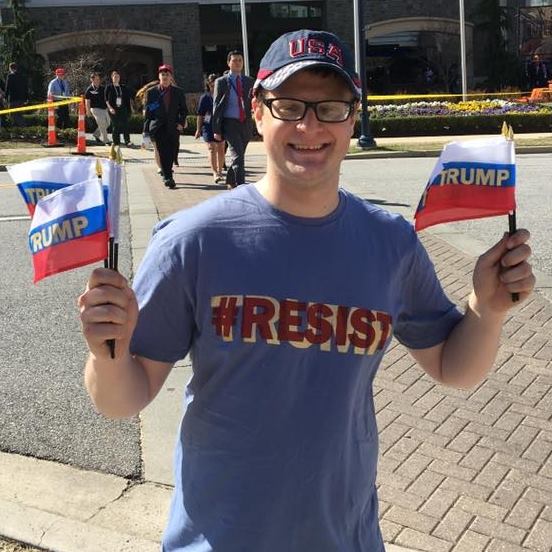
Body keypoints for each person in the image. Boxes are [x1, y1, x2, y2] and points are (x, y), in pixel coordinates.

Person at [78, 29, 535, 552]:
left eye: (331, 108)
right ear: (257, 111)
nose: (310, 126)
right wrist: (106, 354)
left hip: (344, 536)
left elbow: (453, 368)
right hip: (217, 539)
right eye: (290, 106)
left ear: (353, 118)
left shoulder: (391, 243)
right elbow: (122, 398)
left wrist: (487, 307)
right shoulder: (193, 242)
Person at [212, 50, 254, 189]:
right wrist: (216, 129)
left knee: (239, 156)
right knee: (237, 157)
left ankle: (230, 180)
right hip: (230, 123)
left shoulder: (249, 81)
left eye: (240, 60)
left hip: (245, 123)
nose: (237, 63)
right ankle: (241, 187)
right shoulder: (222, 82)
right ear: (228, 62)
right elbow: (217, 106)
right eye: (234, 60)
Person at [144, 64, 188, 189]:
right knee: (163, 152)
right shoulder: (152, 92)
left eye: (167, 75)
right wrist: (145, 131)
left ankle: (167, 171)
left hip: (173, 127)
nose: (164, 77)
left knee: (173, 150)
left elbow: (183, 110)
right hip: (159, 127)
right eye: (162, 75)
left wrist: (180, 122)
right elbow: (149, 112)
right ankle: (168, 177)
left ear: (171, 77)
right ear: (159, 77)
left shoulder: (178, 92)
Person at [195, 73, 225, 184]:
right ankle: (215, 172)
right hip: (208, 126)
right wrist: (198, 129)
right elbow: (200, 114)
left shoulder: (223, 95)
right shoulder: (205, 97)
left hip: (221, 125)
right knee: (212, 148)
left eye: (215, 85)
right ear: (209, 84)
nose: (213, 87)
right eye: (211, 85)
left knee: (221, 149)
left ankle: (220, 171)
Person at [105, 69, 133, 147]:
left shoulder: (123, 87)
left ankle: (127, 141)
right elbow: (106, 99)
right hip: (113, 109)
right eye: (114, 76)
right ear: (112, 78)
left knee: (125, 125)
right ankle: (116, 142)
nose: (116, 78)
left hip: (123, 108)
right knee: (116, 125)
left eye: (117, 76)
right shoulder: (109, 87)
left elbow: (128, 99)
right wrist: (110, 108)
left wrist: (129, 109)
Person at [85, 72, 110, 145]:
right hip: (95, 109)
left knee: (108, 123)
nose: (97, 81)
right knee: (102, 123)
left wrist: (108, 108)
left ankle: (96, 134)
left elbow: (106, 99)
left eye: (98, 79)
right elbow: (87, 101)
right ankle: (106, 140)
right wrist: (88, 111)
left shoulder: (103, 88)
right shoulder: (89, 90)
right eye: (96, 79)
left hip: (104, 109)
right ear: (91, 80)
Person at [5, 62, 28, 127]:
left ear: (10, 68)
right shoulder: (22, 76)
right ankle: (19, 129)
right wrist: (26, 98)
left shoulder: (10, 76)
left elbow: (7, 87)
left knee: (13, 114)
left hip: (13, 99)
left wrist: (5, 98)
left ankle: (23, 126)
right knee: (19, 114)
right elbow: (26, 87)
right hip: (21, 99)